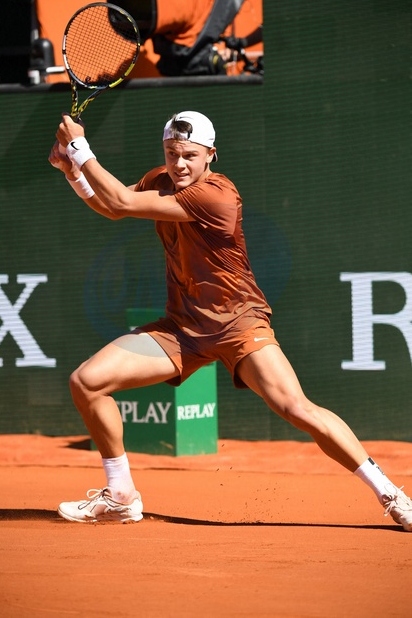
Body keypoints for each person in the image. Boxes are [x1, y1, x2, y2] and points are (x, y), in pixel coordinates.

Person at [49, 110, 412, 530]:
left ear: (210, 155)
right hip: (182, 330)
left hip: (238, 325)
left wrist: (80, 147)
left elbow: (121, 201)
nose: (179, 164)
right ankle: (121, 497)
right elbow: (111, 209)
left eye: (189, 155)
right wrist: (72, 172)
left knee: (296, 407)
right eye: (171, 153)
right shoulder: (160, 180)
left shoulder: (215, 195)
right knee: (87, 382)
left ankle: (392, 494)